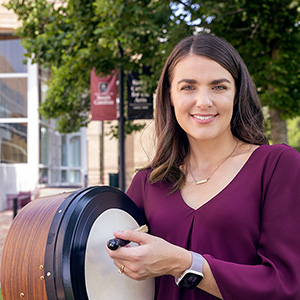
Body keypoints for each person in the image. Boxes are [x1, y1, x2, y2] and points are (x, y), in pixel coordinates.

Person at [106, 33, 300, 299]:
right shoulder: (148, 183)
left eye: (219, 87)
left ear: (236, 94)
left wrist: (184, 264)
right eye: (188, 87)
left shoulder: (277, 166)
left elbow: (287, 285)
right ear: (170, 96)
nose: (204, 101)